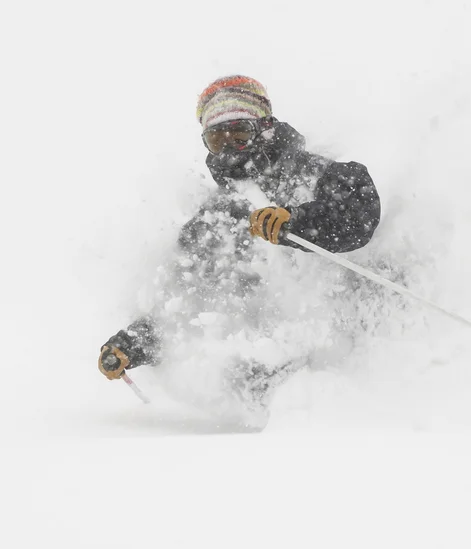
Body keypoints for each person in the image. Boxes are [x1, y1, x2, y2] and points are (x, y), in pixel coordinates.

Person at [98, 75, 381, 413]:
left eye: (241, 133)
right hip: (286, 356)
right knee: (241, 376)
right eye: (218, 138)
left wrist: (298, 221)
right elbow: (185, 303)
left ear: (264, 129)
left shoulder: (309, 172)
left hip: (354, 335)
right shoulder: (214, 219)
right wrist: (135, 343)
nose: (230, 146)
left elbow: (360, 213)